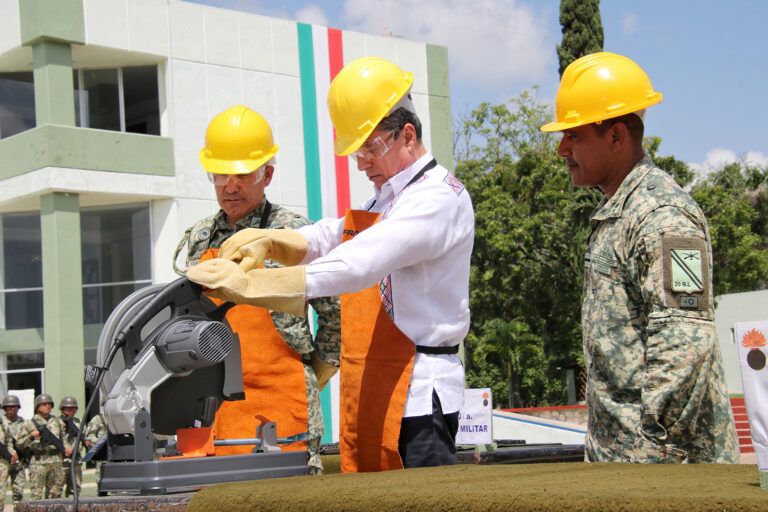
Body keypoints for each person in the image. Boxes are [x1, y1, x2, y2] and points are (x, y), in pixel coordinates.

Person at [187, 57, 474, 472]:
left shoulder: (435, 199)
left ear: (407, 135)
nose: (362, 163)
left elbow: (356, 263)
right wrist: (271, 241)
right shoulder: (387, 198)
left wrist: (252, 287)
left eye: (370, 149)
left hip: (417, 392)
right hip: (377, 383)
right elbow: (330, 236)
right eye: (356, 152)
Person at [540, 52, 740, 463]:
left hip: (666, 471)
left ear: (616, 137)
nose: (562, 150)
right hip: (626, 467)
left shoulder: (663, 217)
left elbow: (683, 345)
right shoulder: (620, 212)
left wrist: (651, 460)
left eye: (574, 135)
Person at [174, 105, 341, 474]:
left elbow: (337, 316)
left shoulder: (295, 235)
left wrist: (312, 377)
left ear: (267, 175)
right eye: (220, 174)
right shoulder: (200, 239)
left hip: (285, 409)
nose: (230, 186)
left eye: (242, 174)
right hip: (215, 414)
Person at [17, 394, 71, 499]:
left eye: (49, 404)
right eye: (44, 404)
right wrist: (31, 437)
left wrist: (67, 447)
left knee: (55, 494)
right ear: (38, 406)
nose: (47, 406)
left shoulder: (56, 421)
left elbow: (63, 438)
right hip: (38, 462)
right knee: (36, 494)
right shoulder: (29, 423)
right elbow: (20, 444)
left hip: (56, 461)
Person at [2, 395, 27, 504]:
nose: (12, 409)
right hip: (2, 462)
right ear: (5, 408)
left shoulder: (23, 422)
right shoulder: (1, 423)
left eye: (14, 406)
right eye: (9, 407)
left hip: (19, 462)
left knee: (19, 494)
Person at [59, 396, 85, 497]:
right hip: (63, 460)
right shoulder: (57, 422)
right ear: (62, 409)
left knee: (75, 489)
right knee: (57, 489)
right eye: (68, 408)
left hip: (76, 460)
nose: (71, 411)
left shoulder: (78, 422)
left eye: (73, 408)